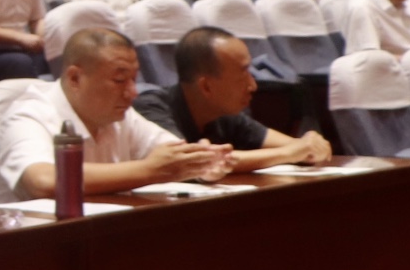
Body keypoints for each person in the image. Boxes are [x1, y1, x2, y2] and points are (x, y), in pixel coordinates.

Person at [0, 28, 236, 206]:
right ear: (74, 78)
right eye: (119, 80)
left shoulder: (120, 115)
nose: (132, 92)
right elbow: (44, 180)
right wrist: (150, 170)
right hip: (5, 250)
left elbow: (171, 154)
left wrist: (199, 162)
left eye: (134, 80)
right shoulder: (29, 113)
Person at [131, 27, 335, 168]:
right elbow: (188, 163)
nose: (253, 85)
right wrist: (290, 153)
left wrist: (310, 144)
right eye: (242, 75)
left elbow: (295, 145)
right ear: (206, 86)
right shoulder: (150, 107)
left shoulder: (222, 114)